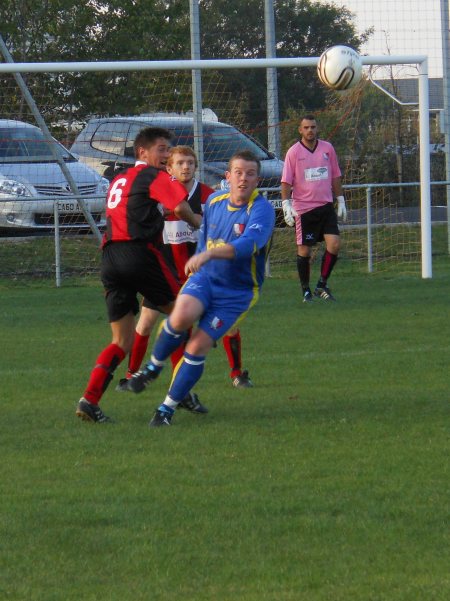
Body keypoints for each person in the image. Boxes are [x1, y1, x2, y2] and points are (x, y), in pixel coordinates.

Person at [127, 149, 275, 427]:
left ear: (258, 180)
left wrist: (207, 254)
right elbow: (206, 234)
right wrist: (202, 259)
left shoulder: (262, 210)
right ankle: (153, 368)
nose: (244, 179)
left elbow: (247, 246)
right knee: (180, 316)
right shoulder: (216, 201)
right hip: (206, 278)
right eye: (239, 173)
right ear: (227, 177)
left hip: (237, 292)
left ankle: (166, 409)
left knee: (197, 346)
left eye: (251, 174)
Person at [75, 127, 202, 423]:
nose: (167, 155)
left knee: (122, 340)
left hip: (109, 257)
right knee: (183, 318)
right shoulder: (154, 176)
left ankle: (89, 400)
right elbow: (181, 208)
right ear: (142, 152)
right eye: (161, 148)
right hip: (139, 254)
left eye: (168, 149)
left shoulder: (120, 179)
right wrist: (201, 224)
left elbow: (141, 210)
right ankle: (180, 391)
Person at [281, 114, 347, 302]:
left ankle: (321, 285)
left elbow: (335, 175)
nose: (310, 130)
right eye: (306, 127)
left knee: (334, 244)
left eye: (313, 127)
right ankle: (306, 290)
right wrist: (287, 205)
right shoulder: (293, 152)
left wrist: (340, 199)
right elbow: (286, 181)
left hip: (326, 206)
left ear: (317, 129)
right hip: (304, 209)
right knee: (305, 251)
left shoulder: (327, 148)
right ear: (300, 130)